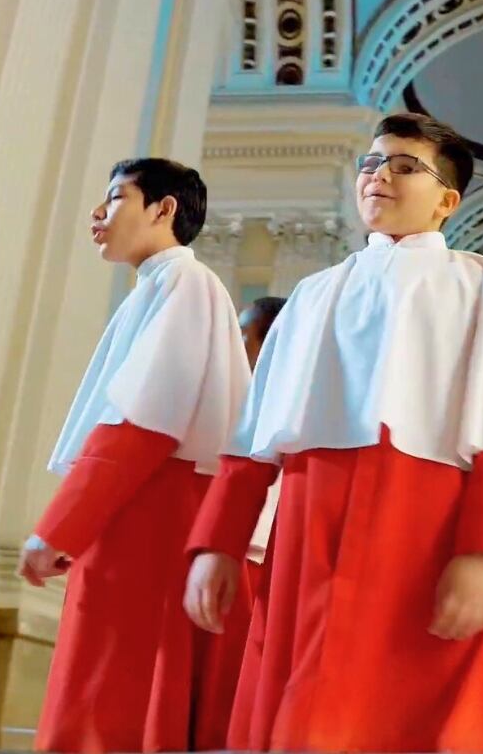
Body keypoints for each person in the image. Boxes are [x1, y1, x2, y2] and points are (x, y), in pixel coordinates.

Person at [183, 113, 483, 752]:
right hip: (307, 517)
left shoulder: (482, 284)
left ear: (447, 200)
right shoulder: (312, 293)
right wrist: (218, 542)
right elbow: (253, 435)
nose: (379, 175)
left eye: (405, 166)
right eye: (372, 164)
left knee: (414, 704)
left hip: (425, 517)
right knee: (305, 694)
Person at [21, 157, 250, 753]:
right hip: (139, 512)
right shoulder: (160, 286)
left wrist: (60, 528)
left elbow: (142, 422)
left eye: (117, 197)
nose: (98, 214)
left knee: (114, 692)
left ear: (163, 208)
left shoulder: (184, 283)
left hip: (155, 518)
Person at [193, 295, 287, 751]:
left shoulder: (279, 399)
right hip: (226, 551)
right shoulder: (234, 395)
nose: (237, 345)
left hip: (255, 555)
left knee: (225, 701)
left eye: (245, 335)